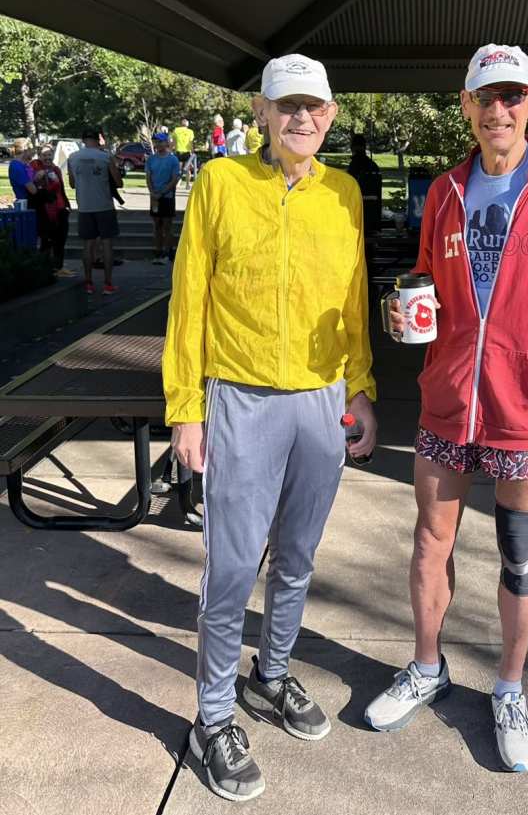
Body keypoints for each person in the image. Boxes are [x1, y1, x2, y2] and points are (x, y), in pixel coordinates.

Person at [363, 45, 528, 774]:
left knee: (520, 553)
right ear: (466, 105)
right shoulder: (447, 190)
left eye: (512, 96)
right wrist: (410, 313)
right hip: (449, 404)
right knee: (430, 542)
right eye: (486, 96)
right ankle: (427, 665)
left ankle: (509, 687)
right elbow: (428, 278)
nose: (498, 110)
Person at [163, 52, 376, 803]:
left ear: (331, 114)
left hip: (321, 401)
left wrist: (364, 389)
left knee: (297, 554)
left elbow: (353, 302)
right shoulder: (222, 182)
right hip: (241, 400)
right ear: (261, 112)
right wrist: (185, 406)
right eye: (288, 106)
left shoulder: (345, 194)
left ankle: (272, 674)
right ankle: (212, 716)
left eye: (314, 107)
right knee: (229, 567)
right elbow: (189, 296)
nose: (302, 119)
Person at [67, 128, 122, 295]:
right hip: (104, 205)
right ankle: (108, 283)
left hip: (84, 206)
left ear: (83, 139)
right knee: (107, 244)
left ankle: (89, 282)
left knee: (88, 245)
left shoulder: (72, 158)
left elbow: (72, 184)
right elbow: (118, 182)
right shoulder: (105, 157)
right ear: (98, 139)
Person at [31, 144, 73, 276]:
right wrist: (38, 176)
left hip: (60, 208)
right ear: (39, 156)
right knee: (47, 239)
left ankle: (58, 267)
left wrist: (67, 203)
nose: (47, 158)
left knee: (61, 238)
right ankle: (45, 268)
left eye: (49, 155)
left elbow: (61, 187)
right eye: (44, 155)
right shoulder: (35, 166)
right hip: (46, 209)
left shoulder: (56, 169)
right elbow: (33, 183)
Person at [145, 133, 180, 264]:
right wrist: (152, 192)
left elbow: (174, 179)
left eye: (161, 142)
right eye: (156, 142)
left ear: (166, 143)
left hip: (167, 196)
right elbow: (148, 177)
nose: (159, 145)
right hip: (154, 196)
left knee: (167, 225)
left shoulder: (173, 160)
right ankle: (158, 251)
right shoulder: (151, 159)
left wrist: (163, 192)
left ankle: (168, 251)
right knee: (157, 225)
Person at [8, 138, 38, 203]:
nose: (33, 152)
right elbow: (33, 190)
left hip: (29, 202)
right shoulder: (17, 167)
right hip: (25, 204)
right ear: (25, 150)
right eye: (31, 149)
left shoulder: (23, 165)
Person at [172, 118, 197, 188]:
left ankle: (177, 184)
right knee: (188, 169)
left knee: (178, 169)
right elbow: (191, 143)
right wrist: (192, 152)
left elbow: (173, 142)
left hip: (178, 152)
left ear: (181, 124)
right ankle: (187, 184)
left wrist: (171, 150)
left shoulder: (176, 130)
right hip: (187, 152)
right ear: (187, 124)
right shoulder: (190, 131)